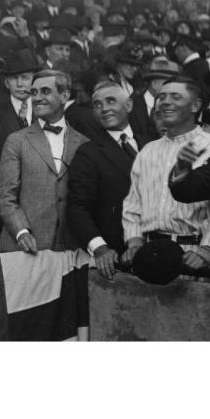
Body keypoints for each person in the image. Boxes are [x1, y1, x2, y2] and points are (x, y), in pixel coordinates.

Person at [121, 76, 210, 274]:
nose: (166, 101)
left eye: (176, 97)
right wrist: (134, 242)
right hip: (149, 254)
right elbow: (133, 204)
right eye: (162, 97)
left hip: (193, 256)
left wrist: (206, 250)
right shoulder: (148, 150)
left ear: (195, 106)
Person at [0, 69, 89, 253]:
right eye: (34, 92)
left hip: (68, 250)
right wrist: (21, 232)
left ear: (64, 96)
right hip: (22, 248)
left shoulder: (83, 143)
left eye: (45, 91)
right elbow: (6, 196)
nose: (37, 98)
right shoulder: (17, 140)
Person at [67, 81, 149, 279]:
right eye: (97, 105)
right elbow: (77, 208)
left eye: (111, 101)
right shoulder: (89, 152)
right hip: (116, 257)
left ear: (128, 105)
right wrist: (100, 248)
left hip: (155, 249)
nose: (104, 109)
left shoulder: (151, 143)